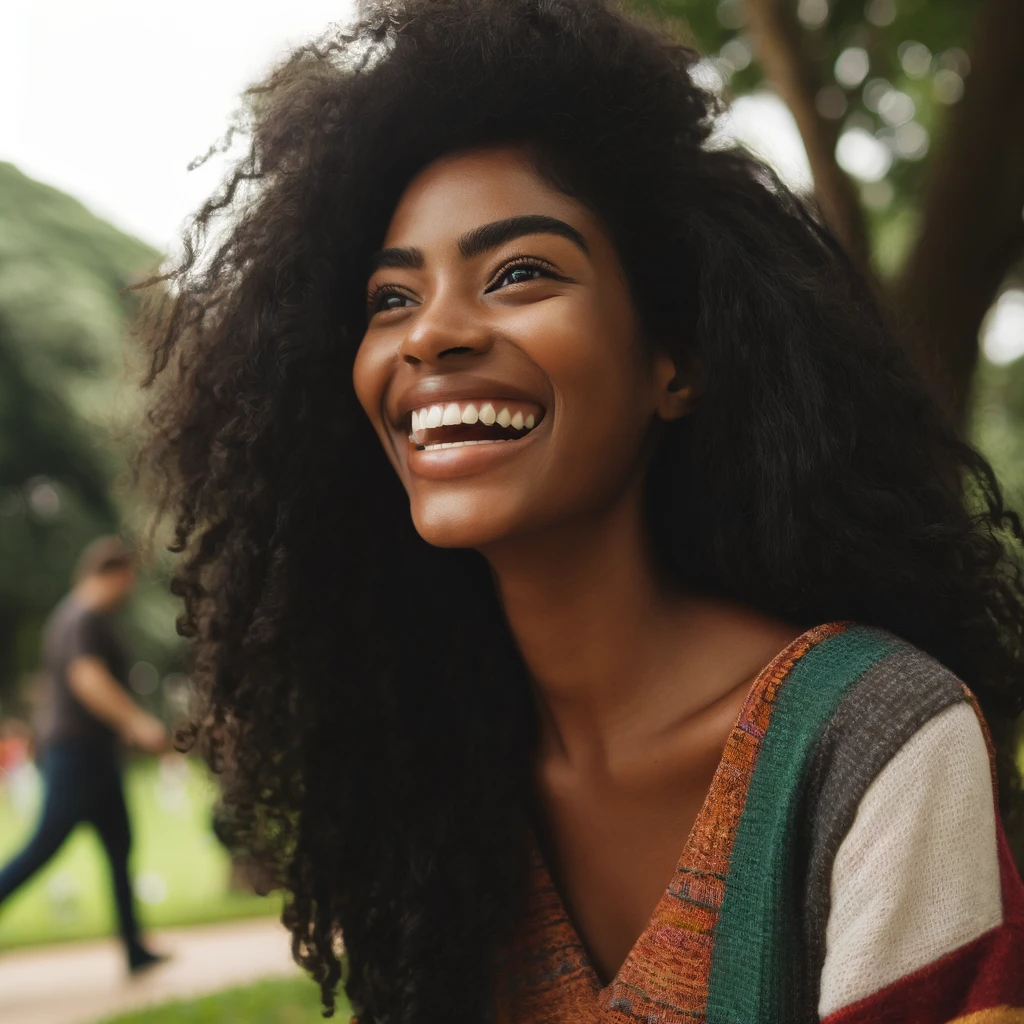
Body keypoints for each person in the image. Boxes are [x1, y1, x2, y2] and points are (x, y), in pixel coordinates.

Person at [132, 1, 1024, 1020]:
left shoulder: (874, 743)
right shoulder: (434, 780)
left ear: (674, 360)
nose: (430, 336)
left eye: (519, 273)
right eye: (390, 298)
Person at [0, 536, 169, 973]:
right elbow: (87, 679)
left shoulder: (81, 617)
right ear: (114, 573)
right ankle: (134, 947)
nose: (131, 588)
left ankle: (134, 948)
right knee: (43, 848)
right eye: (129, 578)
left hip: (95, 753)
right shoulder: (82, 617)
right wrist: (138, 722)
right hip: (76, 755)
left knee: (119, 845)